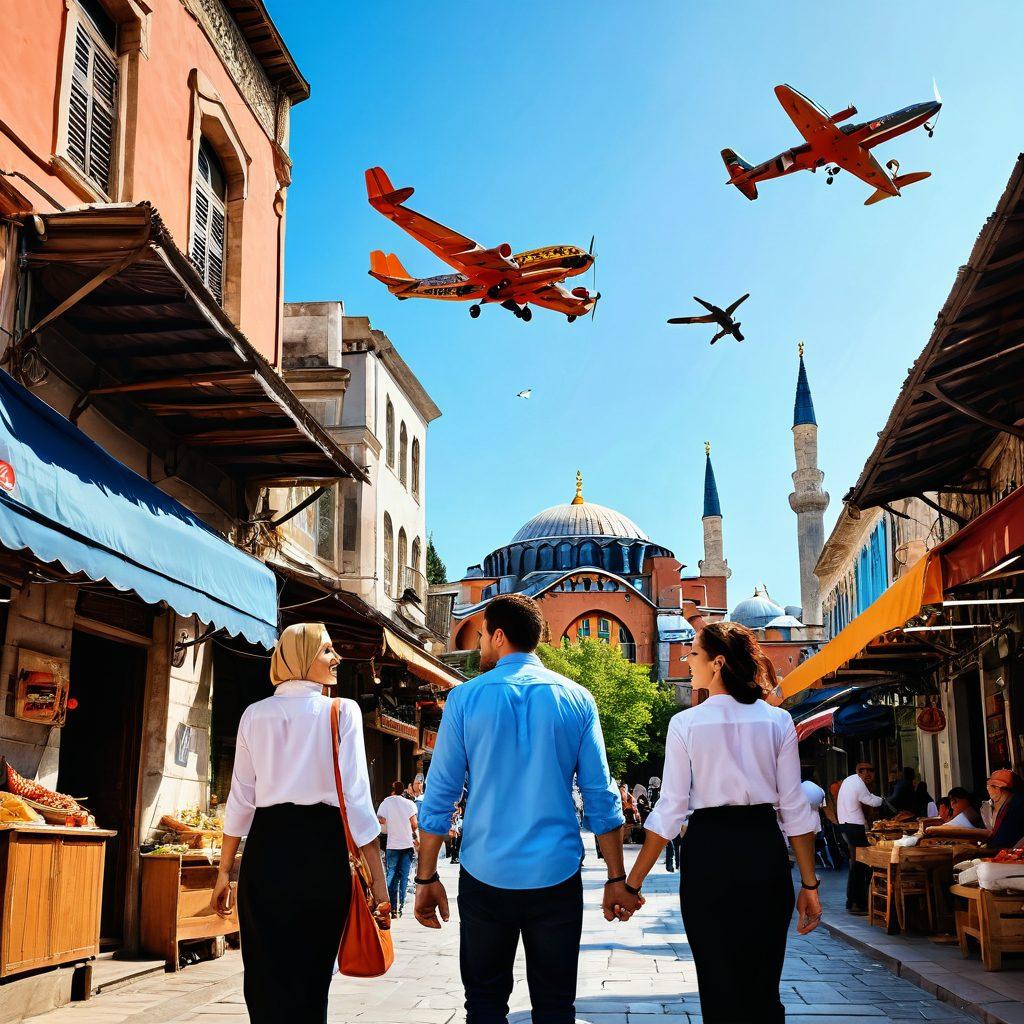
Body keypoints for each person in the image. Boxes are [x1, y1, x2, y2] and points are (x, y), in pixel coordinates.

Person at [414, 594, 627, 1024]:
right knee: (554, 1006)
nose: (478, 648)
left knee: (485, 1004)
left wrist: (426, 876)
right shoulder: (578, 699)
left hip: (485, 871)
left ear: (499, 636)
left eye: (481, 638)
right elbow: (601, 797)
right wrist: (617, 878)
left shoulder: (464, 699)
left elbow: (439, 797)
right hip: (556, 873)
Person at [624, 622, 821, 1024]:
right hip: (763, 848)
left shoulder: (686, 724)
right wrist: (810, 884)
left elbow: (670, 810)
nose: (686, 660)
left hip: (709, 853)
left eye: (692, 654)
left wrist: (632, 884)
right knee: (764, 984)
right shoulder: (777, 721)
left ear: (717, 663)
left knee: (717, 981)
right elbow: (794, 808)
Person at [211, 623, 389, 1024]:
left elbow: (241, 800)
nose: (337, 658)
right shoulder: (342, 711)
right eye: (327, 651)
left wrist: (224, 871)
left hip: (266, 852)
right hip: (321, 855)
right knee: (311, 982)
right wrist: (377, 884)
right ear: (302, 656)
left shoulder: (254, 715)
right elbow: (358, 804)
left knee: (263, 977)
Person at [837, 762, 884, 914]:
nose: (867, 773)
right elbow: (871, 800)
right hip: (853, 826)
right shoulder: (857, 783)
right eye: (863, 770)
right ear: (858, 771)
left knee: (856, 864)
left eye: (871, 770)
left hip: (847, 824)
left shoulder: (850, 780)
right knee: (861, 864)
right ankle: (857, 903)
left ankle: (852, 901)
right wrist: (885, 799)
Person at [377, 780, 419, 917]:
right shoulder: (409, 804)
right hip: (407, 845)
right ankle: (400, 908)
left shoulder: (385, 803)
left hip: (392, 845)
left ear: (392, 790)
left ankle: (391, 907)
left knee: (391, 875)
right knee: (404, 876)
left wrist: (391, 822)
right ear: (403, 791)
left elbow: (380, 821)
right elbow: (414, 824)